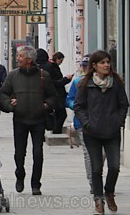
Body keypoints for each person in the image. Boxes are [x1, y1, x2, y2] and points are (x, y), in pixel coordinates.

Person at [74, 50, 128, 215]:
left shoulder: (116, 83)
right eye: (102, 62)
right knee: (96, 168)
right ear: (95, 65)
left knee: (114, 167)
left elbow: (124, 105)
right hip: (92, 132)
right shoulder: (85, 84)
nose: (106, 65)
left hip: (112, 132)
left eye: (108, 62)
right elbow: (78, 106)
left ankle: (109, 192)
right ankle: (98, 200)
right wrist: (87, 123)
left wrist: (118, 121)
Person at [0, 46, 58, 196]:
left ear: (29, 59)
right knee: (19, 153)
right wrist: (9, 105)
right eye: (17, 56)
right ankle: (20, 174)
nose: (17, 58)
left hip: (38, 120)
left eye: (20, 56)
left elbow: (53, 97)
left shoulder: (43, 75)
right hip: (20, 119)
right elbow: (3, 94)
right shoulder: (13, 76)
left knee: (38, 153)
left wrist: (46, 105)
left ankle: (35, 184)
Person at [66, 55, 93, 194]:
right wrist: (76, 106)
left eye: (86, 66)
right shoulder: (77, 82)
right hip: (82, 122)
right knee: (88, 153)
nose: (84, 68)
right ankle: (93, 182)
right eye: (83, 66)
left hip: (102, 122)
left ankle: (97, 176)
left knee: (103, 154)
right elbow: (69, 99)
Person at [43, 51, 73, 134]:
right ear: (57, 59)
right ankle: (56, 130)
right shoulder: (51, 67)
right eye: (61, 61)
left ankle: (56, 129)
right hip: (57, 94)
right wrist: (65, 80)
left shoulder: (52, 66)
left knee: (59, 114)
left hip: (58, 94)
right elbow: (54, 82)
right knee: (62, 114)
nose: (61, 63)